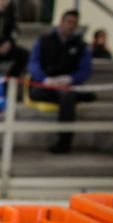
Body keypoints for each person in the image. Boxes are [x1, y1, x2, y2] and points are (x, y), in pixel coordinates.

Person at [29, 9, 94, 155]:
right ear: (61, 23)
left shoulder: (81, 46)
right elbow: (33, 64)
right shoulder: (44, 41)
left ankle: (64, 141)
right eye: (68, 22)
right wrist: (45, 79)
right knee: (60, 96)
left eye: (74, 23)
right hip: (44, 85)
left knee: (67, 96)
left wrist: (70, 79)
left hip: (68, 86)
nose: (70, 26)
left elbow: (85, 70)